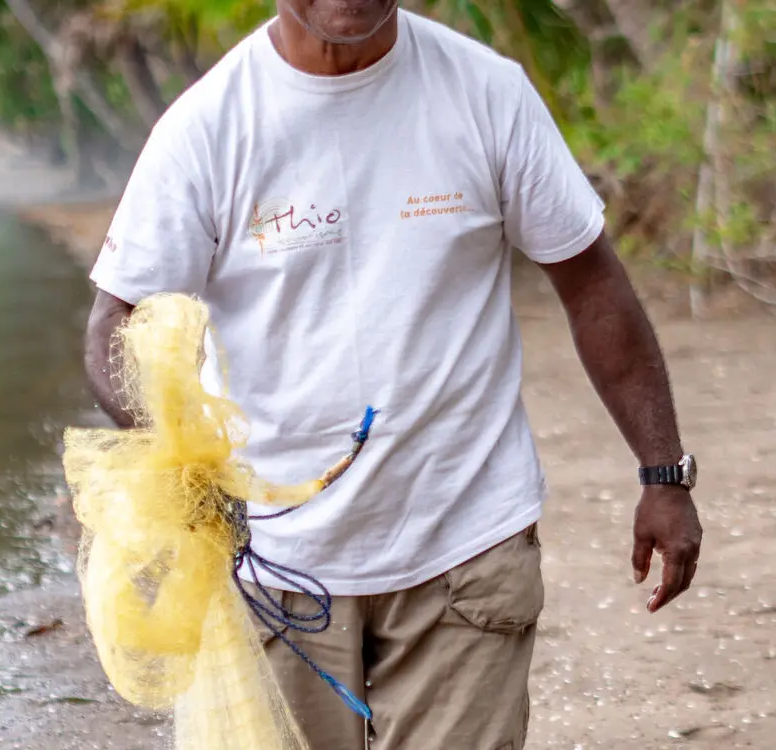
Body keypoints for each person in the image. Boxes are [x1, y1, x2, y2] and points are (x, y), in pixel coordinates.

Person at [82, 1, 703, 748]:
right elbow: (114, 329)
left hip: (466, 546)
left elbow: (592, 284)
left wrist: (662, 473)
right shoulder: (208, 127)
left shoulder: (484, 93)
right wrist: (184, 464)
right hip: (276, 569)